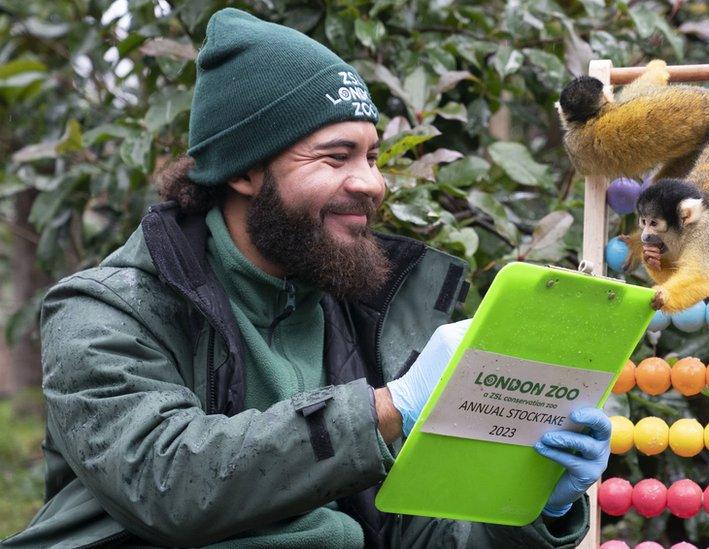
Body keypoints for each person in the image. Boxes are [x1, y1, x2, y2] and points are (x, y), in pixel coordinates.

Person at [2, 8, 610, 548]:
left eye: (371, 156)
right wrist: (387, 409)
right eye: (334, 156)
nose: (372, 182)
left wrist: (537, 503)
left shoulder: (363, 314)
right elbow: (167, 484)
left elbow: (410, 530)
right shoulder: (104, 313)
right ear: (244, 171)